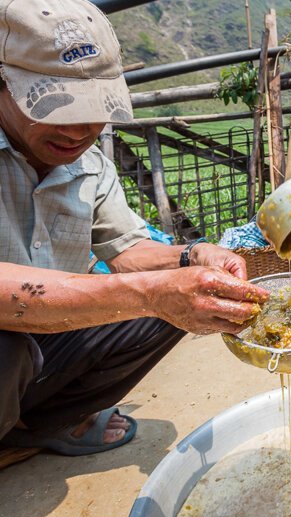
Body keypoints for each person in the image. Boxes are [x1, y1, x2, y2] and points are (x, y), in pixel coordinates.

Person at [0, 0, 269, 458]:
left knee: (172, 308)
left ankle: (31, 429)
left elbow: (126, 249)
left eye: (94, 106)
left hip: (47, 342)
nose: (81, 127)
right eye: (55, 105)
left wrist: (192, 259)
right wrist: (147, 292)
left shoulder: (91, 166)